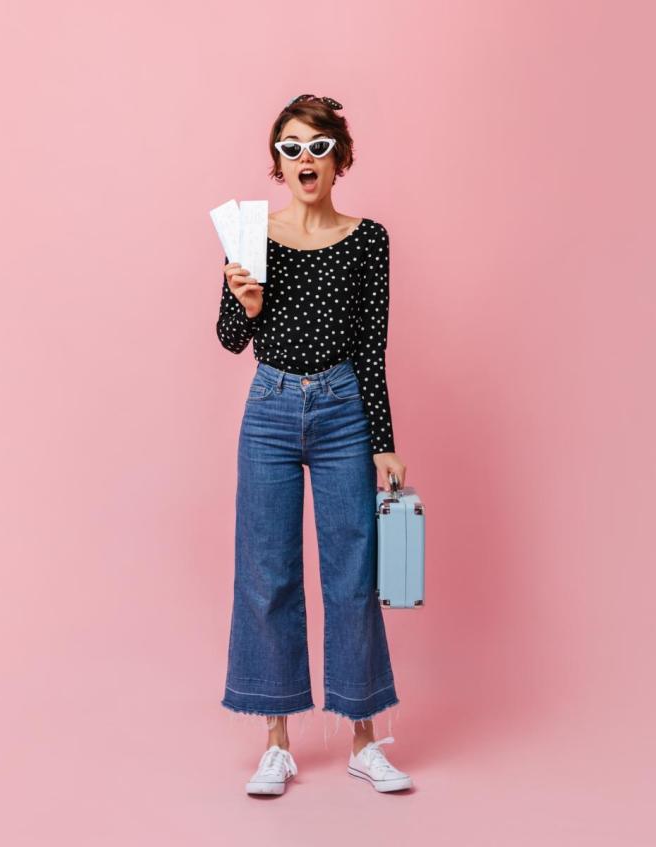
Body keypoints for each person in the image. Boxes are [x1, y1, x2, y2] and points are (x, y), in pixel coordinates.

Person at [215, 94, 413, 796]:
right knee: (267, 572)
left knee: (353, 575)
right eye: (292, 147)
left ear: (339, 159)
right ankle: (276, 743)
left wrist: (384, 442)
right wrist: (247, 307)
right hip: (269, 408)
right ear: (278, 160)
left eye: (318, 147)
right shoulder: (251, 234)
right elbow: (230, 339)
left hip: (343, 411)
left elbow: (371, 349)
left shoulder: (369, 240)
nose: (305, 159)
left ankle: (364, 740)